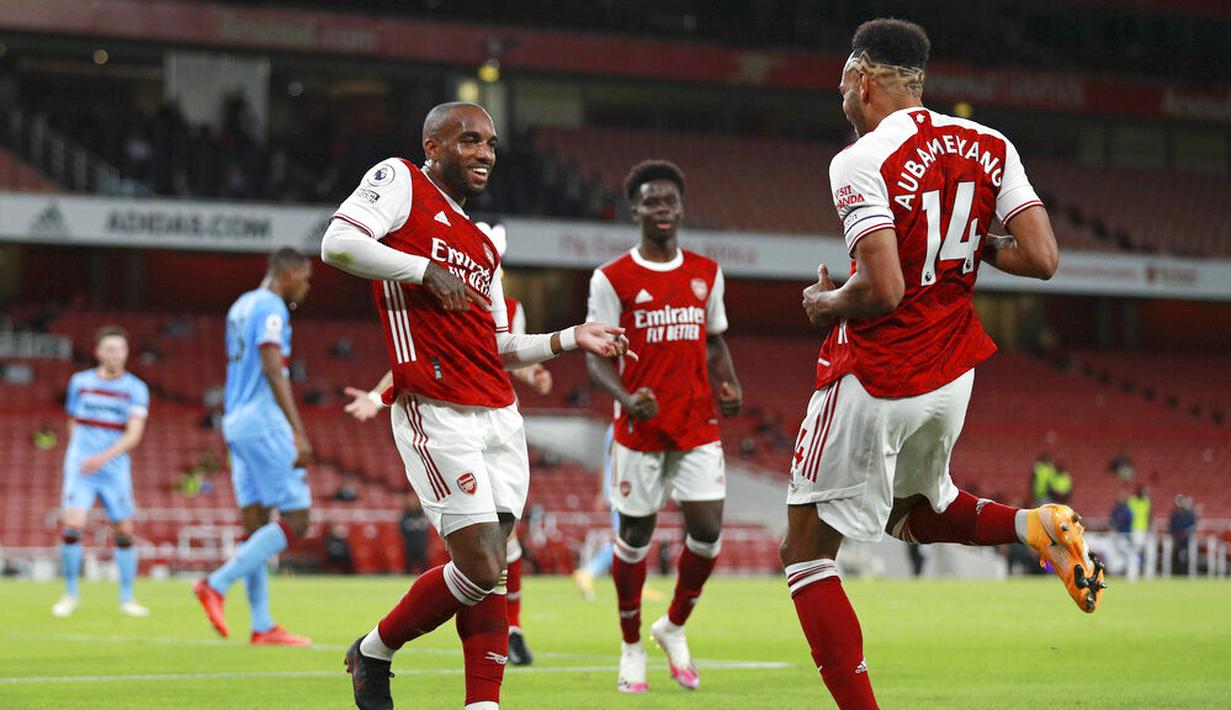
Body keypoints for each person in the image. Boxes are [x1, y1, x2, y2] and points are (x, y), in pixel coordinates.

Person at [779, 19, 1106, 708]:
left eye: (842, 82)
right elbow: (1043, 259)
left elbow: (883, 290)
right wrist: (970, 243)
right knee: (918, 512)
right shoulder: (991, 144)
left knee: (805, 554)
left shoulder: (859, 158)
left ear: (864, 78)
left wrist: (826, 302)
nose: (840, 96)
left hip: (875, 372)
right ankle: (1033, 528)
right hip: (952, 370)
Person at [320, 101, 631, 710]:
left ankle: (478, 702)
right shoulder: (401, 181)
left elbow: (496, 345)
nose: (485, 152)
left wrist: (571, 337)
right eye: (469, 140)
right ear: (432, 146)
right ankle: (376, 649)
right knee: (483, 562)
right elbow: (337, 243)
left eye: (489, 143)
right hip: (436, 408)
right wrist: (421, 269)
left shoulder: (483, 247)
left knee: (493, 568)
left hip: (499, 412)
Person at [585, 159, 743, 693]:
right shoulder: (611, 278)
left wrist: (729, 382)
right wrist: (628, 398)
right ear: (634, 209)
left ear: (681, 208)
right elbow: (595, 358)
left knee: (707, 532)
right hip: (639, 430)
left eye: (669, 201)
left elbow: (715, 338)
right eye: (651, 201)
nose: (661, 210)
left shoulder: (706, 272)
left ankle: (672, 627)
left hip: (696, 422)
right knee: (635, 536)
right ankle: (631, 648)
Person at [192, 247, 314, 647]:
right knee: (297, 518)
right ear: (289, 272)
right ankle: (216, 583)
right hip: (263, 423)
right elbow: (272, 366)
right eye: (306, 277)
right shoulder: (272, 307)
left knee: (257, 523)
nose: (307, 286)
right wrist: (297, 431)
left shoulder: (241, 305)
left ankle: (262, 625)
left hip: (235, 420)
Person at [52, 325, 151, 619]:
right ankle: (70, 594)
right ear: (98, 352)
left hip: (114, 469)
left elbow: (134, 435)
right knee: (73, 524)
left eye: (120, 349)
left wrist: (102, 457)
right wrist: (80, 453)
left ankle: (127, 597)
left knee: (123, 530)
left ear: (126, 352)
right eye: (110, 349)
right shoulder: (79, 383)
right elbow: (72, 420)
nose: (116, 354)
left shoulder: (136, 389)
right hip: (81, 467)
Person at [399, 493, 430, 574]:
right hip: (410, 543)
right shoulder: (405, 514)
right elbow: (401, 528)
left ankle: (424, 576)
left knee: (423, 562)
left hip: (421, 542)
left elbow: (426, 528)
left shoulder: (422, 513)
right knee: (409, 562)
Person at [1126, 484, 1151, 581]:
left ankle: (1147, 574)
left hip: (1143, 530)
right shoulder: (1132, 501)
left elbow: (1148, 515)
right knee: (1134, 553)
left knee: (1144, 553)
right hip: (1134, 530)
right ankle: (1132, 575)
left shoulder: (1146, 501)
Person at [1168, 494, 1197, 575]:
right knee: (1176, 557)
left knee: (1186, 557)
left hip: (1187, 540)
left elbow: (1193, 526)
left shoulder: (1191, 515)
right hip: (1177, 540)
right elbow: (1171, 527)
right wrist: (1175, 537)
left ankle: (1186, 573)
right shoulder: (1174, 514)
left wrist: (1186, 534)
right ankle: (1175, 573)